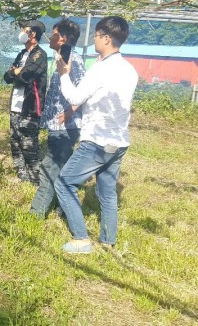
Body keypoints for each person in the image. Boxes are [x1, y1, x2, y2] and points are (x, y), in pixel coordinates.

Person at [55, 16, 138, 254]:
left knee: (64, 183)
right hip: (119, 141)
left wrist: (63, 74)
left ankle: (81, 239)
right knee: (107, 192)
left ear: (107, 38)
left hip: (97, 141)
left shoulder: (100, 69)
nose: (94, 39)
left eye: (97, 35)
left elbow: (75, 98)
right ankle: (108, 240)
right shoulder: (129, 70)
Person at [30, 19, 86, 218]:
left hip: (66, 126)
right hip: (59, 125)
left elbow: (83, 92)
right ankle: (63, 209)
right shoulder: (62, 57)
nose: (50, 37)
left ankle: (36, 213)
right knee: (61, 168)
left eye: (54, 34)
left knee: (50, 167)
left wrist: (69, 113)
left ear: (63, 38)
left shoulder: (73, 61)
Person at [3, 20, 48, 184]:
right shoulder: (22, 54)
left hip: (30, 107)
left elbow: (26, 76)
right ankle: (22, 176)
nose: (21, 32)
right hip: (16, 105)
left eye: (25, 29)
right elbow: (7, 77)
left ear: (33, 34)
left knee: (29, 145)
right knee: (15, 142)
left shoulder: (39, 55)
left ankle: (36, 180)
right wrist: (16, 72)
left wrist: (17, 72)